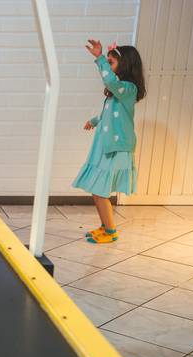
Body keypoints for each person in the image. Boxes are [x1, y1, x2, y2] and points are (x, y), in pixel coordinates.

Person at [73, 41, 146, 244]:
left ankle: (111, 231)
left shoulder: (128, 89)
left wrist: (99, 59)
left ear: (125, 65)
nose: (109, 65)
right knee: (96, 189)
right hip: (105, 145)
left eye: (111, 62)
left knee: (100, 190)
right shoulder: (117, 92)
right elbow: (109, 113)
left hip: (117, 147)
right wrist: (94, 121)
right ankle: (105, 226)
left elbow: (111, 82)